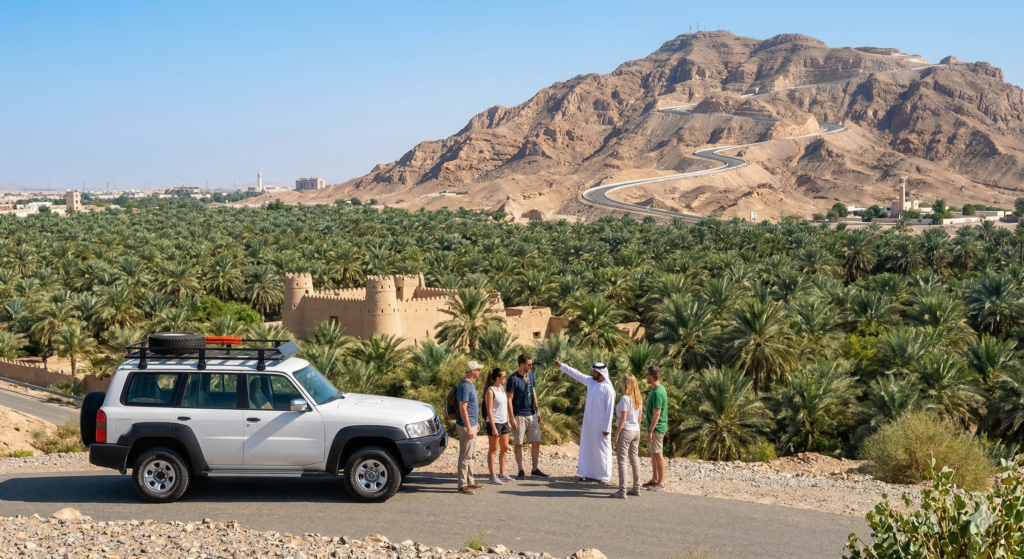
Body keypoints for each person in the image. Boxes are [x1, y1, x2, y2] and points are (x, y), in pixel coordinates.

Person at [553, 359, 615, 483]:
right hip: (588, 425)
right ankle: (589, 474)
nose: (592, 374)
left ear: (601, 374)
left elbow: (610, 411)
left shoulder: (608, 389)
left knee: (602, 450)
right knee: (589, 448)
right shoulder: (591, 382)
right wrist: (562, 366)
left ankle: (604, 475)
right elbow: (576, 374)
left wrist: (607, 428)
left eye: (594, 373)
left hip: (601, 426)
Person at [507, 353, 549, 480]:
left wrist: (537, 409)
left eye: (531, 364)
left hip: (531, 413)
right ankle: (520, 470)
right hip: (519, 415)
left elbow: (533, 391)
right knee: (518, 443)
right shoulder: (513, 379)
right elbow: (509, 399)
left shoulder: (530, 376)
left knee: (536, 441)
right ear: (521, 364)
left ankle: (535, 469)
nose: (531, 366)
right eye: (529, 364)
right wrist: (512, 417)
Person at [610, 374, 642, 499]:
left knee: (622, 460)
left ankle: (622, 490)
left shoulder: (625, 398)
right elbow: (639, 417)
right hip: (636, 431)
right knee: (634, 459)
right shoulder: (638, 398)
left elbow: (623, 418)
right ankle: (636, 488)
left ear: (626, 384)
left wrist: (616, 434)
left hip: (626, 430)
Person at [456, 360, 485, 495]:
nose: (480, 371)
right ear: (473, 371)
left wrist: (475, 423)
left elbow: (472, 408)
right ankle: (462, 484)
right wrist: (468, 427)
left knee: (472, 454)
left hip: (471, 424)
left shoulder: (470, 385)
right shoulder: (465, 386)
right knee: (465, 455)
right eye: (478, 369)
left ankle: (470, 480)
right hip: (465, 425)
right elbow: (463, 408)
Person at [484, 368, 515, 484]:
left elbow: (504, 406)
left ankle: (502, 473)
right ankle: (492, 475)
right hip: (494, 422)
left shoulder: (501, 388)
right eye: (503, 377)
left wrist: (507, 420)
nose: (504, 379)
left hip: (503, 422)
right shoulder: (490, 391)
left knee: (505, 447)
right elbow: (490, 411)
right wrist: (493, 427)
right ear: (497, 378)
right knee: (493, 449)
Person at [643, 365, 669, 492]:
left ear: (652, 376)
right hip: (654, 428)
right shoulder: (656, 390)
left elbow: (656, 413)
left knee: (658, 454)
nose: (646, 376)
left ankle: (661, 482)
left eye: (647, 374)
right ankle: (654, 479)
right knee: (653, 453)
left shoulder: (658, 392)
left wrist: (651, 430)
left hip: (657, 428)